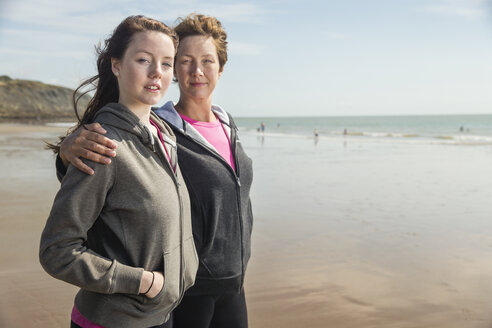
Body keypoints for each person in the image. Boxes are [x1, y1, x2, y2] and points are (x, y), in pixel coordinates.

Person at [54, 14, 254, 328]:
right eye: (185, 60)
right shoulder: (156, 127)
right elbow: (105, 164)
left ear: (221, 67)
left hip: (221, 284)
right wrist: (66, 155)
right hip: (179, 293)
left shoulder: (209, 126)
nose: (197, 71)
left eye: (207, 61)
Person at [39, 15, 198, 328]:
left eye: (167, 63)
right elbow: (57, 251)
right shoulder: (102, 145)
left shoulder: (164, 134)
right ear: (116, 65)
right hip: (115, 321)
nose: (157, 73)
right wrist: (141, 282)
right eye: (143, 60)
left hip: (160, 315)